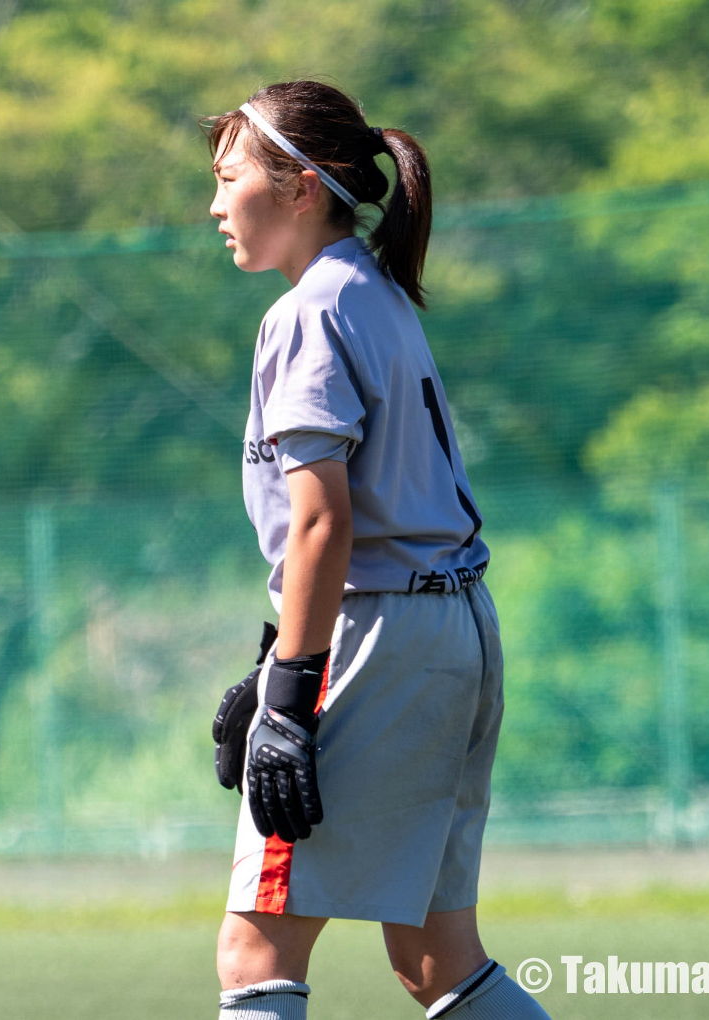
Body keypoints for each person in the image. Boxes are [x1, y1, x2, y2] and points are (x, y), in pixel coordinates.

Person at [205, 81, 553, 1020]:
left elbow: (324, 522)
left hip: (378, 635)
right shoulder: (378, 293)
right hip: (456, 630)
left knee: (255, 948)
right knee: (438, 960)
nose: (213, 204)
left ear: (300, 187)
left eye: (229, 176)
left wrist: (291, 687)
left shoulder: (308, 311)